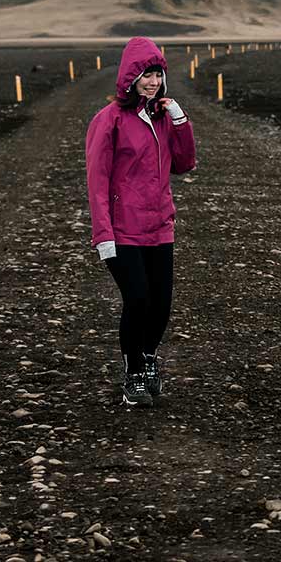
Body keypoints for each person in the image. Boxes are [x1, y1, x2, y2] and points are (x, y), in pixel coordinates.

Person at [85, 37, 197, 408]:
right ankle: (133, 373)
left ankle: (148, 357)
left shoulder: (162, 117)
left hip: (159, 226)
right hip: (123, 230)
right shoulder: (109, 120)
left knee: (161, 303)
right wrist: (103, 234)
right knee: (137, 299)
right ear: (130, 77)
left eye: (158, 74)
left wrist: (179, 119)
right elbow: (97, 181)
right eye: (146, 74)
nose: (153, 82)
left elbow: (184, 163)